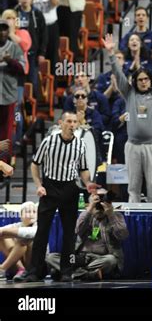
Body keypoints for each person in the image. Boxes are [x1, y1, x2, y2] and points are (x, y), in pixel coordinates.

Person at [17, 111, 99, 282]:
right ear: (61, 123)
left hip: (70, 188)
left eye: (75, 122)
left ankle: (67, 271)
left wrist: (88, 183)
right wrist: (39, 185)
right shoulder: (49, 141)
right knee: (42, 232)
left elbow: (83, 169)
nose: (72, 125)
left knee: (70, 233)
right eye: (68, 121)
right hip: (50, 187)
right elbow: (35, 164)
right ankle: (35, 271)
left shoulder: (80, 145)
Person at [103, 33, 152, 203]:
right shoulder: (129, 94)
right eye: (140, 80)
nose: (143, 82)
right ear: (135, 82)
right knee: (133, 187)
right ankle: (133, 222)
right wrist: (111, 53)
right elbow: (119, 74)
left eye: (146, 79)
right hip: (133, 146)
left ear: (150, 81)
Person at [46, 189, 129, 281]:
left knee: (111, 260)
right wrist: (90, 208)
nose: (100, 204)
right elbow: (78, 230)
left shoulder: (116, 216)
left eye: (103, 198)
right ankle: (86, 274)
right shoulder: (86, 214)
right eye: (98, 199)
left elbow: (123, 235)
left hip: (100, 258)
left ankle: (73, 273)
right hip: (80, 258)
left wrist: (111, 215)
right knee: (51, 257)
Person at [14, 0, 48, 98]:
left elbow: (44, 35)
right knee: (18, 83)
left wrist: (42, 53)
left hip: (33, 54)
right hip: (18, 55)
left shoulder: (37, 14)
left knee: (33, 82)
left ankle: (32, 110)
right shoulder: (14, 13)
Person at [0, 18, 25, 163]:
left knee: (6, 132)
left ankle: (3, 164)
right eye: (0, 29)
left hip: (8, 95)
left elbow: (23, 69)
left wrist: (10, 61)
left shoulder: (14, 47)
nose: (2, 32)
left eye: (4, 29)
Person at [31, 0, 60, 74]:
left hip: (50, 26)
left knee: (52, 55)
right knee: (36, 56)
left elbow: (55, 2)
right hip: (35, 29)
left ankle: (54, 85)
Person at [0, 201, 37, 281]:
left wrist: (4, 231)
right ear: (21, 215)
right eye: (27, 211)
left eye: (34, 212)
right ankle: (21, 269)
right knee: (2, 237)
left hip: (33, 266)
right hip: (16, 266)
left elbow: (30, 233)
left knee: (24, 240)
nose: (31, 214)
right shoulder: (17, 225)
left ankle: (2, 268)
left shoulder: (38, 225)